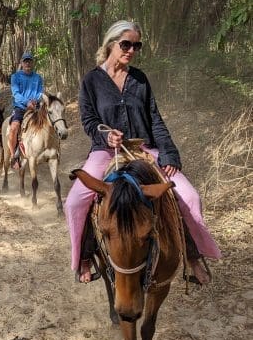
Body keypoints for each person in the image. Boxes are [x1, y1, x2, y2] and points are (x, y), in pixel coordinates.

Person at [65, 20, 221, 284]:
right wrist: (106, 135)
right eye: (126, 44)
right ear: (110, 45)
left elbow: (155, 119)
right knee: (75, 202)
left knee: (190, 197)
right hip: (106, 151)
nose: (131, 50)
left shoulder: (140, 79)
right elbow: (89, 120)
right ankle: (84, 256)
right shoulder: (91, 81)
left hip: (145, 150)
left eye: (136, 45)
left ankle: (192, 255)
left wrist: (170, 154)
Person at [7, 52, 44, 169]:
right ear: (21, 63)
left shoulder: (38, 77)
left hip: (35, 107)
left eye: (29, 61)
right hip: (21, 108)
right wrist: (27, 102)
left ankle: (50, 151)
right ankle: (13, 156)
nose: (27, 63)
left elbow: (40, 92)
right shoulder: (15, 77)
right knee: (14, 128)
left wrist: (35, 101)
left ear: (32, 63)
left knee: (49, 124)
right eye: (25, 61)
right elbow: (16, 93)